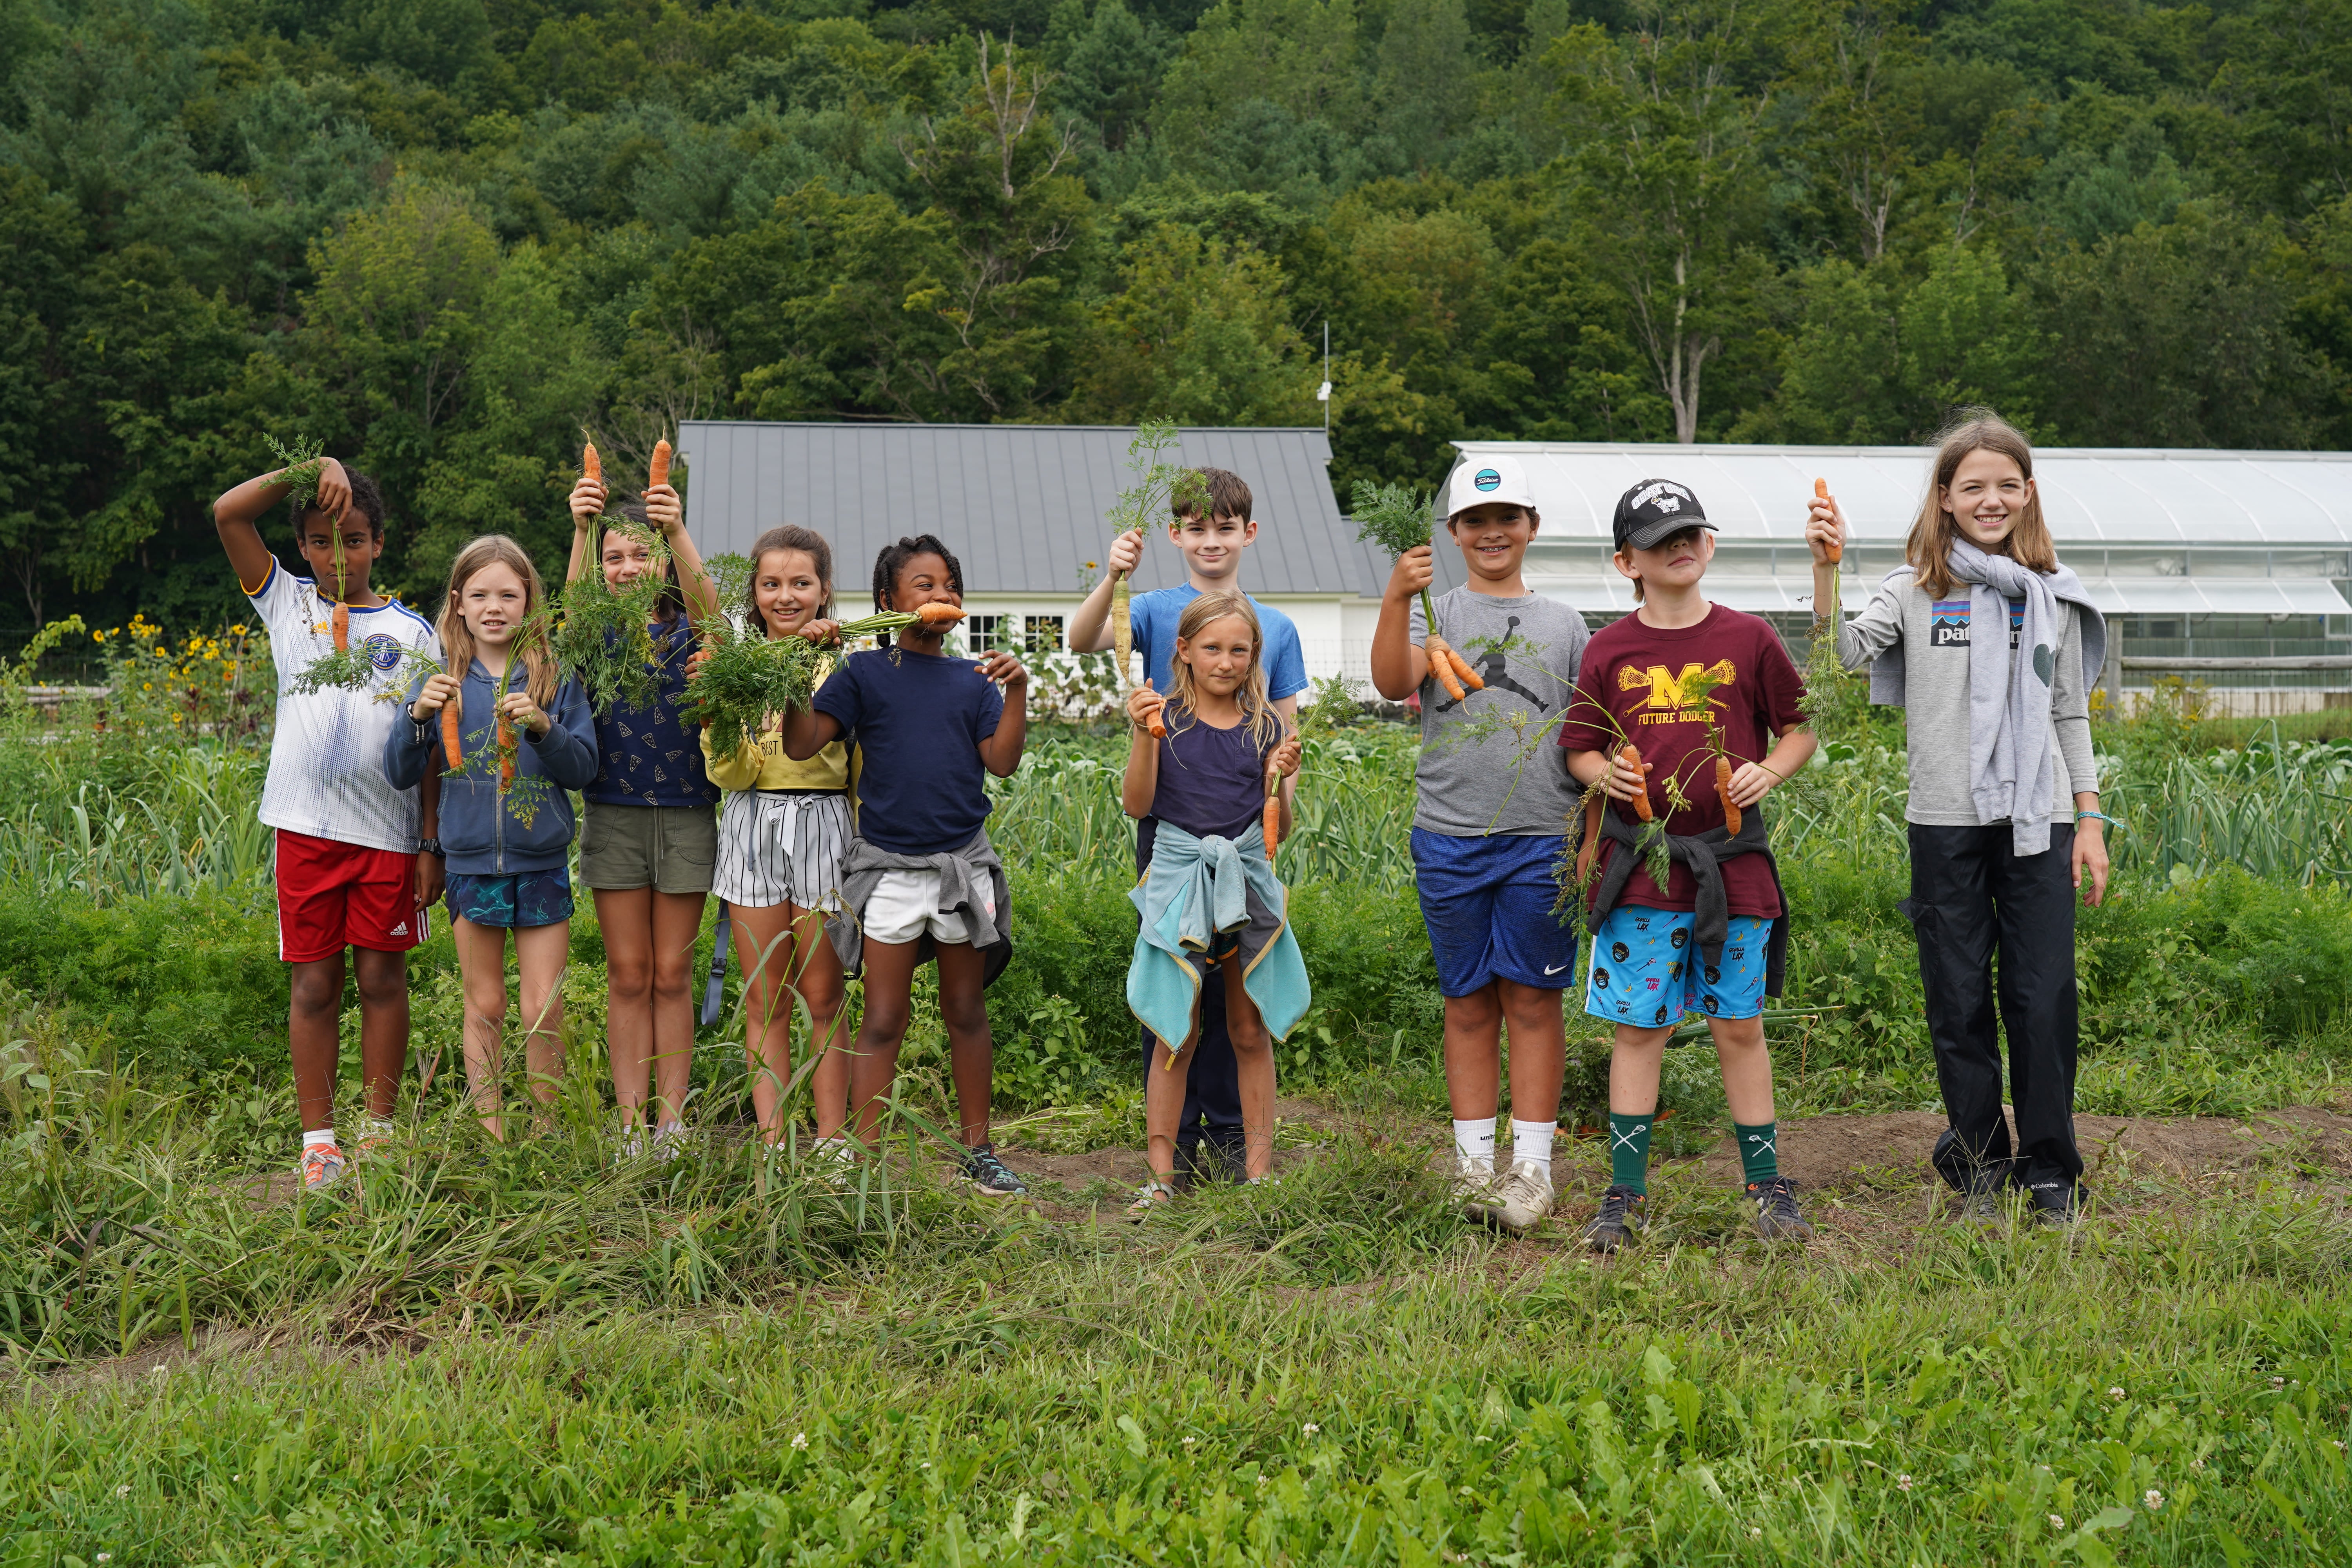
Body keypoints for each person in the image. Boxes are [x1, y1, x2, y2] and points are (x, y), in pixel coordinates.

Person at [1806, 410, 2109, 1227]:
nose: (1991, 498)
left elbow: (2070, 715)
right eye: (1972, 485)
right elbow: (1837, 661)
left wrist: (2089, 818)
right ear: (1944, 497)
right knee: (1958, 998)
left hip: (2037, 820)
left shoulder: (2052, 596)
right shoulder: (1911, 591)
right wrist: (1826, 572)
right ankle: (1980, 1163)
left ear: (2028, 493)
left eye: (2007, 484)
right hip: (1944, 822)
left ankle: (2049, 1168)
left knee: (2042, 998)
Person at [1559, 479, 1819, 1251]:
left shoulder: (1750, 638)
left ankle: (1767, 1182)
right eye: (1658, 537)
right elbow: (1579, 748)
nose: (1680, 545)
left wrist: (1769, 772)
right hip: (1641, 869)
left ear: (1708, 545)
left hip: (1732, 868)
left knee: (1739, 1025)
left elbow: (1801, 729)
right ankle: (1624, 1191)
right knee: (1640, 1033)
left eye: (1691, 532)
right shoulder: (1609, 648)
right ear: (1624, 561)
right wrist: (1602, 775)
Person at [1367, 454, 1590, 1234]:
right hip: (1451, 834)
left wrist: (1591, 830)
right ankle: (1471, 1164)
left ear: (1530, 528)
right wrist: (1397, 596)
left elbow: (1586, 731)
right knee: (1466, 1001)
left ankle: (1531, 1169)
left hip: (1543, 836)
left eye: (1507, 520)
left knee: (1532, 999)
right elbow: (1395, 680)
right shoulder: (1435, 610)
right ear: (1454, 533)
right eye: (1475, 522)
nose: (1492, 533)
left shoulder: (1566, 624)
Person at [1068, 466, 1307, 1183]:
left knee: (1242, 1015)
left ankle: (1237, 1146)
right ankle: (1173, 1159)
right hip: (1171, 822)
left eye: (1224, 528)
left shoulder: (1276, 626)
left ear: (1248, 534)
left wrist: (1280, 782)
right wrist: (1113, 575)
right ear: (1176, 535)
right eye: (1196, 528)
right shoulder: (1152, 606)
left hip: (1244, 828)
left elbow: (1282, 747)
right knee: (1178, 1007)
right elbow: (1084, 641)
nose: (1211, 540)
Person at [212, 456, 443, 1191]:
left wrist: (430, 843)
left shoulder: (413, 634)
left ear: (378, 543)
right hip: (305, 829)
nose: (336, 556)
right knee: (314, 987)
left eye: (352, 540)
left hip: (389, 835)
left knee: (382, 978)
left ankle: (378, 1131)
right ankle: (319, 1143)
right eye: (319, 540)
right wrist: (314, 468)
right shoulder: (286, 604)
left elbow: (431, 749)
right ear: (302, 548)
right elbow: (228, 513)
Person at [779, 535, 1031, 1196]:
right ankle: (865, 1161)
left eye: (949, 585)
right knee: (884, 1017)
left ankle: (980, 1152)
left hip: (960, 869)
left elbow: (1001, 762)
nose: (940, 595)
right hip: (889, 872)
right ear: (889, 600)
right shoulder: (864, 673)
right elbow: (803, 744)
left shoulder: (973, 680)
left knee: (966, 1009)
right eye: (923, 585)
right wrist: (796, 673)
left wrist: (1020, 692)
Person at [387, 536, 599, 1141]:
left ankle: (546, 1130)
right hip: (472, 865)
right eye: (480, 595)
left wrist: (543, 727)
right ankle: (492, 1137)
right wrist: (417, 719)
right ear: (458, 603)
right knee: (485, 1007)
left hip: (542, 863)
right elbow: (400, 772)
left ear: (530, 602)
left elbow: (583, 770)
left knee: (542, 1008)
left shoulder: (555, 679)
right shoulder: (442, 683)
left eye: (509, 594)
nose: (494, 606)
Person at [1119, 594, 1307, 1216]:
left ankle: (1258, 1174)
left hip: (1245, 881)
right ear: (1184, 652)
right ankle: (1161, 1176)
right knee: (1177, 1029)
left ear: (1255, 655)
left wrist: (1282, 778)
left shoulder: (1269, 727)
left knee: (1248, 1028)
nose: (1226, 662)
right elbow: (1138, 806)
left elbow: (1282, 824)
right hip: (1177, 881)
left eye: (1239, 650)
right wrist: (1143, 736)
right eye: (1212, 649)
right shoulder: (1162, 719)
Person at [564, 469, 722, 1157]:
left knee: (673, 974)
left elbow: (714, 611)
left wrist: (677, 529)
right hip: (615, 813)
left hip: (688, 812)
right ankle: (630, 1124)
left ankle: (673, 1123)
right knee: (628, 975)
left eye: (641, 554)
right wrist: (581, 530)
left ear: (661, 559)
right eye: (614, 557)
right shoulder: (597, 635)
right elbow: (571, 604)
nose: (629, 568)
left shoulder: (692, 633)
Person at [697, 526, 856, 1159]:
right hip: (750, 820)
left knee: (824, 994)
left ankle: (832, 1141)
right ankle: (771, 1142)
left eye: (800, 584)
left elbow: (860, 767)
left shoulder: (844, 662)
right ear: (754, 592)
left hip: (824, 827)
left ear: (823, 591)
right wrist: (715, 709)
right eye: (771, 585)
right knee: (765, 996)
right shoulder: (734, 664)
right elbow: (731, 772)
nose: (785, 597)